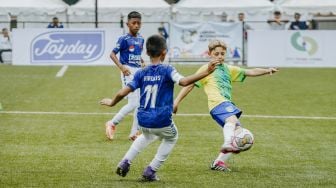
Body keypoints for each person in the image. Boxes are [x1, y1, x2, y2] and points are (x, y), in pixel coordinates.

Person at [100, 35, 220, 181]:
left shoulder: (141, 72)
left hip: (143, 120)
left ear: (147, 53)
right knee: (172, 137)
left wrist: (112, 102)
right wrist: (207, 72)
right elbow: (184, 82)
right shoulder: (167, 70)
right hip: (161, 120)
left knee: (146, 135)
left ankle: (125, 161)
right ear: (164, 52)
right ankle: (151, 170)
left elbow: (122, 92)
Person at [173, 39, 278, 172]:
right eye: (216, 54)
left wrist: (267, 70)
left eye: (222, 53)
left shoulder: (228, 68)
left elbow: (249, 72)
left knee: (238, 131)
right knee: (232, 121)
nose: (220, 56)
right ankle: (227, 143)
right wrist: (176, 101)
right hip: (217, 103)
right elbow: (190, 84)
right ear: (210, 54)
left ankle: (218, 162)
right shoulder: (206, 69)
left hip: (226, 103)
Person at [105, 11, 144, 141]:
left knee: (139, 104)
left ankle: (134, 133)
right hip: (127, 71)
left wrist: (142, 62)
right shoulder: (123, 39)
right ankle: (112, 123)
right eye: (134, 23)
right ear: (128, 24)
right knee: (134, 103)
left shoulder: (141, 39)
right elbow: (112, 54)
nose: (136, 25)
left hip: (139, 72)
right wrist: (121, 67)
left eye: (138, 23)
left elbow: (138, 55)